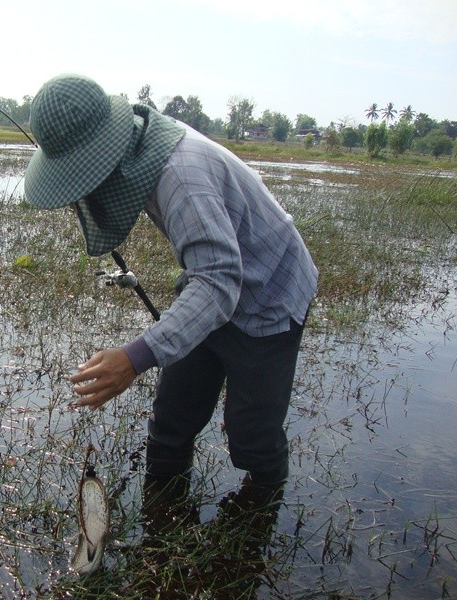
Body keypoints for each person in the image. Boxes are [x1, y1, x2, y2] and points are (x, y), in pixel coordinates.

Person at [23, 74, 318, 489]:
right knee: (171, 422)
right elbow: (211, 275)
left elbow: (218, 284)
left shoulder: (180, 174)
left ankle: (256, 524)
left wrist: (134, 358)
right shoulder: (141, 143)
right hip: (211, 281)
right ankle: (161, 517)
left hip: (268, 294)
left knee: (252, 439)